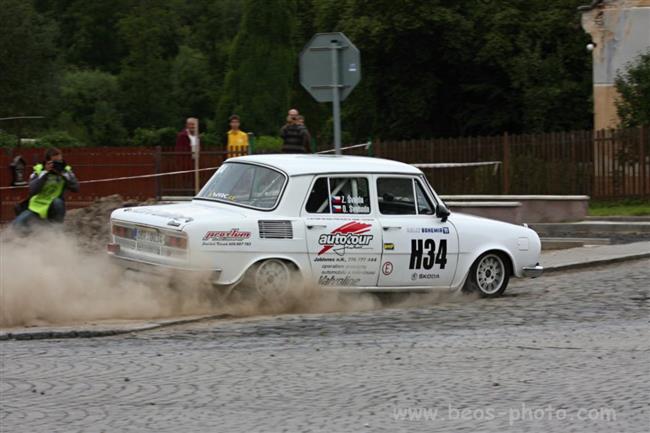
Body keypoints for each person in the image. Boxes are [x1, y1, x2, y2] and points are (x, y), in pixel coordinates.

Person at [12, 147, 79, 234]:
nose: (57, 165)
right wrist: (45, 174)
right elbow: (32, 190)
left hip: (54, 206)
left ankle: (57, 230)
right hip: (36, 207)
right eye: (54, 162)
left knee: (57, 202)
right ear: (48, 162)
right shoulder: (39, 171)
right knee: (16, 225)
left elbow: (76, 188)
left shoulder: (66, 171)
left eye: (60, 162)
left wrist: (65, 176)